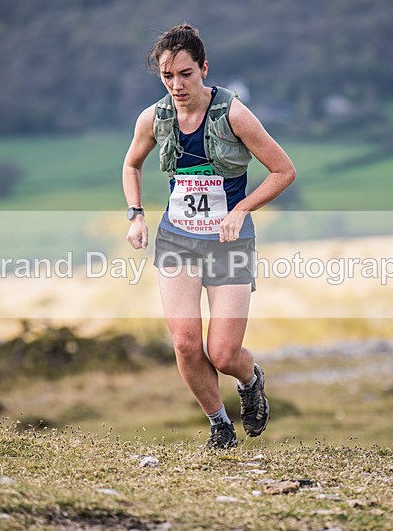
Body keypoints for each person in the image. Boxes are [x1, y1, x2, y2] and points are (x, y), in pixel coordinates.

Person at [122, 24, 296, 449]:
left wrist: (241, 209)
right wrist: (137, 215)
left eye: (185, 74)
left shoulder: (233, 113)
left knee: (222, 353)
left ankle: (250, 379)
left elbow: (284, 171)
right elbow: (131, 165)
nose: (177, 85)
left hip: (229, 243)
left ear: (203, 68)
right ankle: (220, 425)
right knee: (184, 342)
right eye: (168, 76)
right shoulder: (154, 117)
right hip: (177, 238)